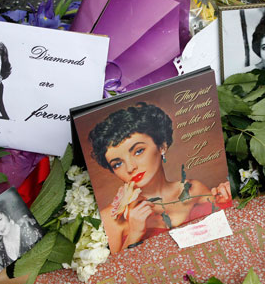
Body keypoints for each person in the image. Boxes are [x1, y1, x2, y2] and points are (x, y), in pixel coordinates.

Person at [89, 102, 231, 253]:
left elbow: (224, 235)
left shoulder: (194, 188)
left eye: (138, 151)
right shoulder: (111, 218)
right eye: (117, 164)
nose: (130, 168)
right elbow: (117, 274)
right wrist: (135, 233)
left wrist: (224, 200)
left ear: (162, 146)